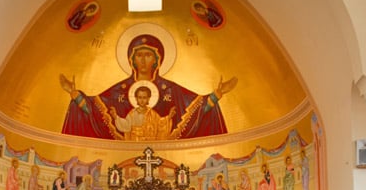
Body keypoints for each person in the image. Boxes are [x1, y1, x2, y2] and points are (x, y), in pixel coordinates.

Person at [59, 33, 237, 141]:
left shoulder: (171, 89)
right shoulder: (119, 91)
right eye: (139, 55)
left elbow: (196, 111)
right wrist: (75, 94)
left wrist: (217, 94)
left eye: (148, 55)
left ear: (157, 60)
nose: (143, 60)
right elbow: (96, 113)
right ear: (131, 59)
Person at [109, 84, 174, 141]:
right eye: (140, 97)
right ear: (136, 99)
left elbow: (160, 124)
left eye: (144, 98)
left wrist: (169, 117)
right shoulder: (132, 113)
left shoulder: (152, 113)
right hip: (135, 141)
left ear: (148, 99)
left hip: (148, 142)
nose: (142, 100)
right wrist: (115, 116)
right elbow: (126, 126)